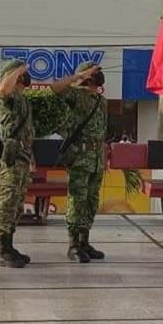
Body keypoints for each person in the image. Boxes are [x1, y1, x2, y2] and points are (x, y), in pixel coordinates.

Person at [52, 62, 107, 263]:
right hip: (80, 158)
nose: (99, 76)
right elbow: (56, 88)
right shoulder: (76, 96)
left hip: (96, 158)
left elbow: (102, 133)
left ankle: (85, 241)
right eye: (95, 73)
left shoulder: (102, 101)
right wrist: (79, 76)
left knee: (91, 201)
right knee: (78, 200)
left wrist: (104, 157)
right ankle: (74, 245)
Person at [0, 60, 35, 268]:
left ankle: (9, 246)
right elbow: (1, 89)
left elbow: (27, 133)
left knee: (17, 204)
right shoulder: (7, 97)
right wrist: (19, 68)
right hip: (11, 157)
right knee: (7, 202)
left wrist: (31, 158)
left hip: (23, 156)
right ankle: (1, 249)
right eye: (22, 74)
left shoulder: (22, 100)